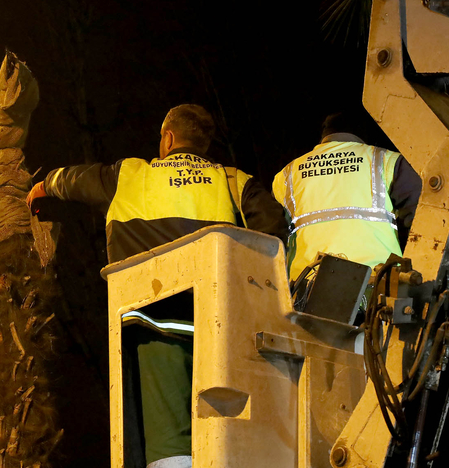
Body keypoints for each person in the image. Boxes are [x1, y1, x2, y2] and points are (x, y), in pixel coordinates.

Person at [27, 104, 287, 468]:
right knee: (226, 432)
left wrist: (42, 186)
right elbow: (274, 230)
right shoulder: (233, 181)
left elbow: (73, 180)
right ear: (205, 143)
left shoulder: (130, 175)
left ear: (167, 138)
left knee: (170, 440)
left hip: (155, 325)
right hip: (221, 326)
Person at [271, 110, 421, 284]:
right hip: (376, 284)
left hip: (305, 285)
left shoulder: (286, 174)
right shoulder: (385, 160)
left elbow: (275, 232)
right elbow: (421, 224)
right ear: (362, 134)